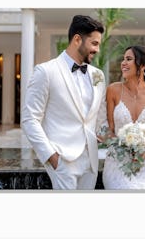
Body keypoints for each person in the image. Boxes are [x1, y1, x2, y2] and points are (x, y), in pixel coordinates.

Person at [21, 15, 107, 190]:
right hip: (62, 159)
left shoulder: (98, 75)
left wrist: (102, 134)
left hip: (90, 159)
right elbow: (30, 119)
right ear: (77, 39)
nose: (97, 50)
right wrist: (52, 157)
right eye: (94, 43)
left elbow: (96, 114)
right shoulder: (45, 71)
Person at [102, 45, 145, 189]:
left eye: (129, 59)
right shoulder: (113, 90)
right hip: (119, 161)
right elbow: (109, 129)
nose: (123, 63)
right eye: (123, 59)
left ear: (143, 65)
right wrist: (122, 148)